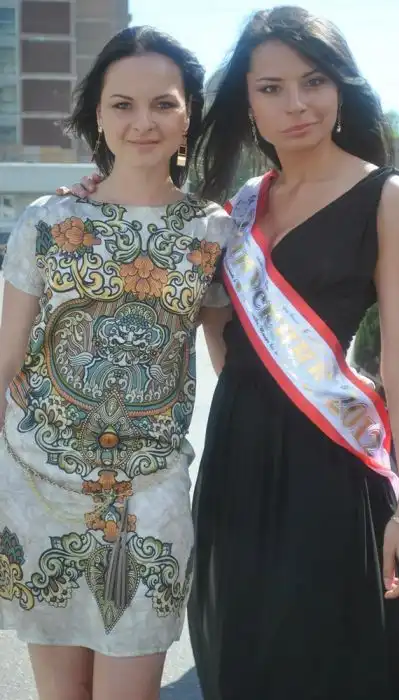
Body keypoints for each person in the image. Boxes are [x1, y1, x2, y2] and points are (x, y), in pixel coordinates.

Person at [59, 7, 399, 700]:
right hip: (236, 457)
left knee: (329, 658)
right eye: (271, 88)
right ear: (248, 103)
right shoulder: (244, 204)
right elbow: (214, 322)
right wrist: (89, 198)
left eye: (314, 81)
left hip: (331, 462)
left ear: (341, 86)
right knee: (241, 653)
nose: (297, 104)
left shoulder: (384, 194)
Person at [0, 26, 235, 700]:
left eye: (163, 104)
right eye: (122, 105)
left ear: (189, 117)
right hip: (36, 486)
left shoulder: (215, 231)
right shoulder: (47, 221)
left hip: (150, 499)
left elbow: (227, 359)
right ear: (97, 117)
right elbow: (6, 355)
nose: (142, 123)